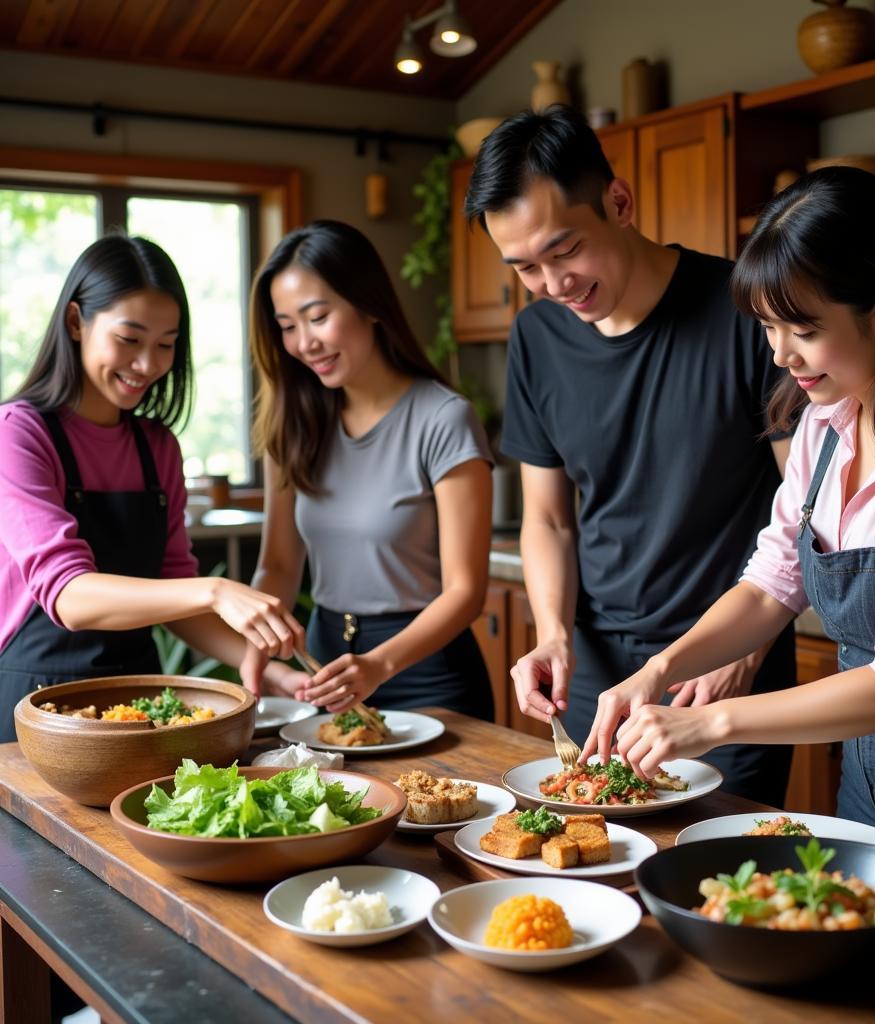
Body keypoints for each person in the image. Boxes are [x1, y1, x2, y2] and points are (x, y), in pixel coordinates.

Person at [583, 166, 875, 874]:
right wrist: (656, 672)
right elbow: (769, 587)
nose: (781, 355)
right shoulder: (824, 424)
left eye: (803, 329)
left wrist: (709, 722)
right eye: (766, 327)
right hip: (863, 789)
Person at [464, 105, 795, 806]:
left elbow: (809, 509)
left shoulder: (745, 312)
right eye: (524, 267)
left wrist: (748, 649)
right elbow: (548, 520)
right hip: (597, 667)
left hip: (726, 659)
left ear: (619, 202)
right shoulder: (536, 339)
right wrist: (551, 636)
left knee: (714, 878)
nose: (553, 284)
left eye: (564, 251)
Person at [0, 234, 305, 743]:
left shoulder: (157, 447)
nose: (148, 364)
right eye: (129, 339)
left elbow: (172, 587)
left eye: (166, 344)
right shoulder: (18, 433)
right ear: (76, 322)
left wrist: (272, 670)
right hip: (34, 705)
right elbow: (69, 595)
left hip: (139, 702)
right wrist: (217, 589)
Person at [246, 220, 495, 719]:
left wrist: (378, 665)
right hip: (323, 666)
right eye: (287, 326)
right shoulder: (291, 423)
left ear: (368, 306)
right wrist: (253, 655)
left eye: (317, 317)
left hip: (427, 673)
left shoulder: (443, 417)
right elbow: (277, 565)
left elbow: (466, 592)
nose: (303, 343)